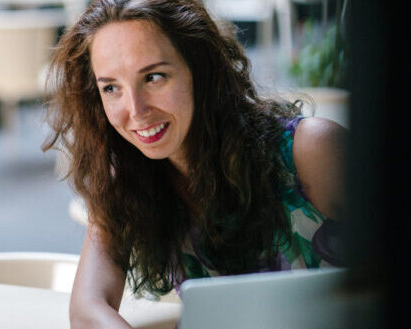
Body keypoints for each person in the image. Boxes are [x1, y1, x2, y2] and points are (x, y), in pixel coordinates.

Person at [41, 0, 347, 328]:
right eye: (111, 87)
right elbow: (87, 308)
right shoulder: (127, 183)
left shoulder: (311, 150)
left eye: (154, 77)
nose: (136, 110)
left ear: (199, 70)